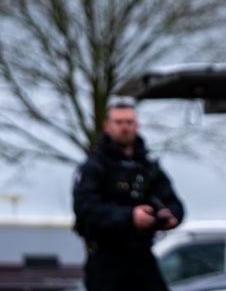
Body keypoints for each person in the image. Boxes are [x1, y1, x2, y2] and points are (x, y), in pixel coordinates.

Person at [73, 97, 184, 291]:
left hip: (141, 256)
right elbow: (86, 209)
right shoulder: (95, 167)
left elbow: (174, 204)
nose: (125, 127)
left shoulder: (147, 167)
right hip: (106, 259)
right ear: (107, 126)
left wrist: (168, 216)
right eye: (119, 122)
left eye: (129, 122)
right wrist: (130, 217)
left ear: (137, 126)